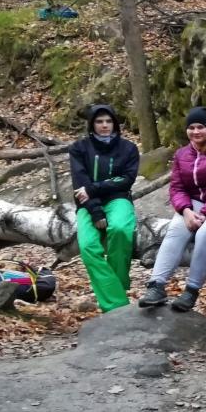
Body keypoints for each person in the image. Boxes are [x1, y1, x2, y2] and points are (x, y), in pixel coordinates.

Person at [138, 106, 206, 311]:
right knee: (175, 230)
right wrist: (186, 210)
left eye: (201, 127)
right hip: (192, 205)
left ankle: (191, 290)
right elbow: (177, 187)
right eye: (191, 127)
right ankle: (156, 285)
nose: (196, 131)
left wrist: (204, 212)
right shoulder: (183, 154)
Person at [68, 104, 140, 313]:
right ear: (92, 125)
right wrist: (96, 211)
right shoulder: (79, 148)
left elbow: (126, 180)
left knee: (119, 230)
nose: (104, 125)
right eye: (99, 121)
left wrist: (94, 188)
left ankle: (115, 287)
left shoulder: (128, 148)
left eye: (108, 121)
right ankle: (116, 304)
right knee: (89, 247)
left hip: (119, 199)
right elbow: (79, 184)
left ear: (115, 123)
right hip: (87, 205)